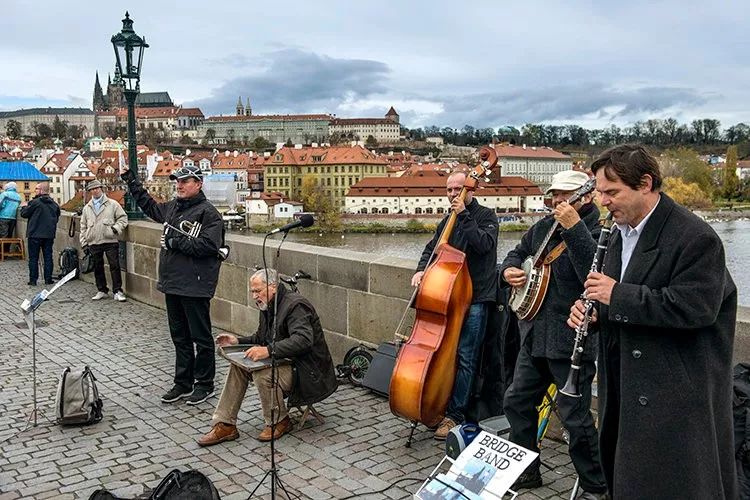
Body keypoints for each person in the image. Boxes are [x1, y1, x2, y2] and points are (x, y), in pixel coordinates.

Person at [568, 145, 737, 499]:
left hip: (674, 398)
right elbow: (613, 297)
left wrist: (616, 296)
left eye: (612, 192)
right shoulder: (617, 233)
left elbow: (697, 307)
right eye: (600, 192)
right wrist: (596, 314)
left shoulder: (695, 238)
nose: (603, 201)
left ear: (646, 183)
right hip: (626, 387)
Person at [500, 170, 607, 499]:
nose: (556, 201)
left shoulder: (599, 233)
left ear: (584, 196)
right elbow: (517, 253)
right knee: (517, 402)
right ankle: (527, 470)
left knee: (574, 417)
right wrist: (509, 271)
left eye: (564, 195)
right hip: (534, 335)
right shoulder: (542, 227)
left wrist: (574, 227)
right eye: (554, 195)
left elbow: (593, 273)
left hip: (569, 341)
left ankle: (596, 486)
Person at [120, 162, 223, 405]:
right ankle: (183, 382)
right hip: (173, 282)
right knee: (179, 336)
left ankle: (205, 384)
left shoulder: (209, 213)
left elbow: (210, 246)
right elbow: (150, 206)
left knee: (201, 337)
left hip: (195, 284)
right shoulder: (174, 207)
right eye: (177, 181)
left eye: (185, 181)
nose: (179, 185)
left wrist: (176, 243)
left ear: (198, 184)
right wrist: (131, 182)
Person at [197, 268, 337, 445]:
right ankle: (225, 423)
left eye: (257, 291)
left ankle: (280, 421)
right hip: (287, 362)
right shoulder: (268, 304)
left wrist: (268, 351)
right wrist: (237, 341)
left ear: (273, 287)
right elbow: (260, 338)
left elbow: (303, 340)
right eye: (252, 292)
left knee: (263, 374)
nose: (254, 296)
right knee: (238, 367)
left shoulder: (295, 305)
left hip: (309, 371)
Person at [410, 170, 499, 440]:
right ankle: (434, 403)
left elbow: (484, 246)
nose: (452, 195)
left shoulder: (486, 217)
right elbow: (432, 248)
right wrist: (420, 270)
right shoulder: (447, 220)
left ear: (470, 190)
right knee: (441, 353)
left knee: (466, 357)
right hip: (447, 297)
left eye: (457, 189)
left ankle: (455, 414)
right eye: (448, 190)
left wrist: (463, 215)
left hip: (476, 297)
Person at [79, 180, 129, 302]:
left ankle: (118, 291)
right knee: (98, 267)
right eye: (92, 189)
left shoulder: (112, 204)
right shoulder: (87, 208)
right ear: (90, 191)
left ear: (101, 189)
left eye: (97, 188)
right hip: (94, 240)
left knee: (115, 266)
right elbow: (83, 226)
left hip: (110, 240)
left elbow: (123, 218)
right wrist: (84, 241)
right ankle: (102, 290)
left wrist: (115, 229)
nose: (95, 191)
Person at [20, 182, 60, 286]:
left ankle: (33, 280)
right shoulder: (54, 204)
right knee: (48, 257)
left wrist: (24, 207)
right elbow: (57, 217)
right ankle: (48, 279)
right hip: (48, 234)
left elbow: (24, 214)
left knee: (33, 258)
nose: (35, 190)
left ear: (42, 190)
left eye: (37, 189)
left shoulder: (35, 202)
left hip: (34, 234)